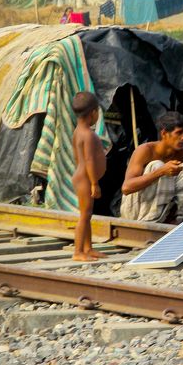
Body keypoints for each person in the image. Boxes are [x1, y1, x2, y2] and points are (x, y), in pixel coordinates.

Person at [120, 111, 183, 223]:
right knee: (156, 165)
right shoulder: (145, 150)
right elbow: (126, 188)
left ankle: (180, 220)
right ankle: (150, 222)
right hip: (136, 211)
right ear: (164, 133)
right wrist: (161, 171)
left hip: (165, 213)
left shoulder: (182, 152)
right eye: (179, 133)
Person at [71, 91, 107, 261]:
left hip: (81, 176)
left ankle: (88, 248)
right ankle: (78, 252)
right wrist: (94, 183)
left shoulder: (78, 131)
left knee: (87, 214)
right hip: (85, 178)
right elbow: (89, 160)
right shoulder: (89, 135)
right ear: (93, 113)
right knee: (84, 215)